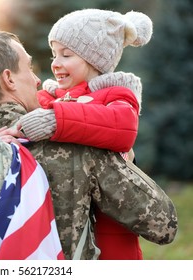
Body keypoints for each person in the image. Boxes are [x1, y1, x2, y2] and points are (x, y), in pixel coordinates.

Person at [0, 30, 178, 260]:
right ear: (9, 79)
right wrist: (122, 158)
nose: (37, 80)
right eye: (29, 68)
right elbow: (163, 224)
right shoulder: (72, 142)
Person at [11, 9, 153, 260]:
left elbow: (123, 128)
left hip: (107, 232)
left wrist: (57, 120)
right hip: (61, 225)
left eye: (66, 54)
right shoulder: (47, 98)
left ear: (95, 60)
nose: (56, 62)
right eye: (55, 53)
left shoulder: (116, 96)